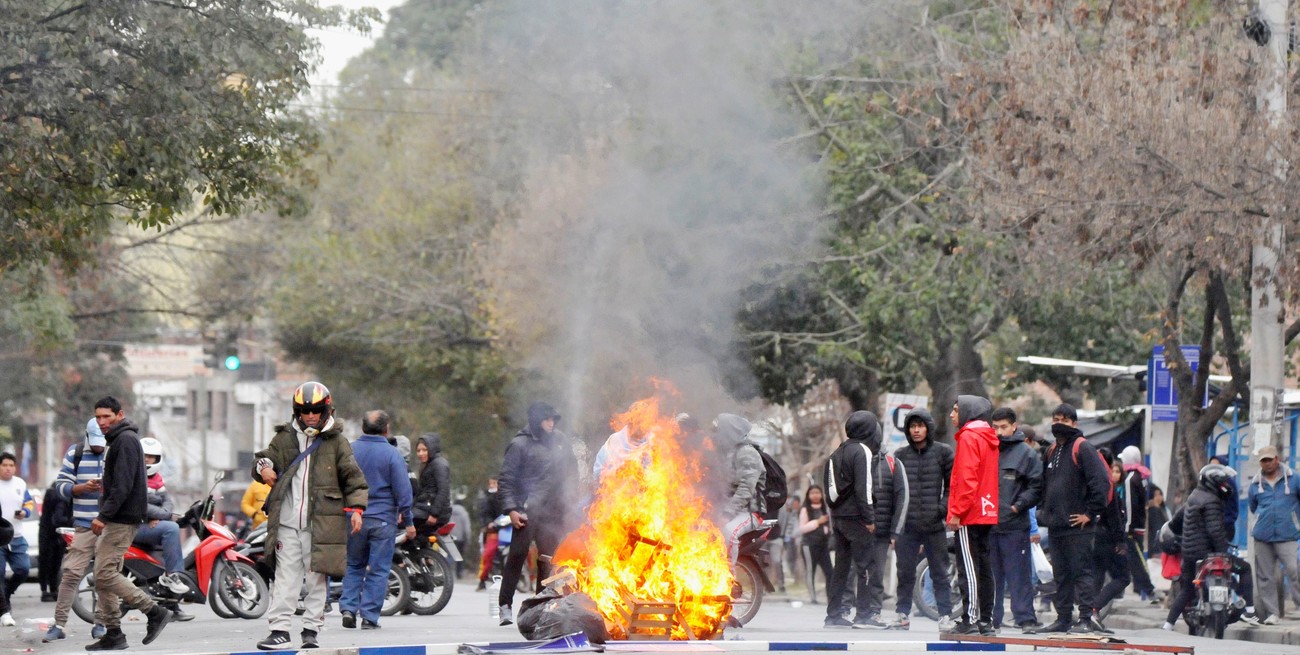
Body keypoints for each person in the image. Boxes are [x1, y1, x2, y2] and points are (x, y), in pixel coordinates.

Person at [252, 381, 369, 650]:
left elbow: (354, 479)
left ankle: (311, 630)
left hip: (323, 523)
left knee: (318, 577)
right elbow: (264, 459)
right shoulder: (284, 438)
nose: (310, 416)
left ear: (326, 410)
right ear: (297, 412)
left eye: (315, 410)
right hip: (287, 522)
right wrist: (264, 467)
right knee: (285, 577)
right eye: (305, 411)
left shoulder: (338, 442)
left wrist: (358, 509)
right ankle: (279, 629)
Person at [86, 396, 174, 650]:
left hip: (120, 519)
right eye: (98, 417)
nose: (102, 422)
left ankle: (154, 611)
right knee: (104, 577)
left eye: (107, 416)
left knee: (104, 574)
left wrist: (103, 516)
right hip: (118, 517)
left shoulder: (124, 440)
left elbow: (123, 485)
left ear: (119, 415)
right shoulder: (119, 439)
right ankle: (114, 632)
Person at [496, 402, 580, 626]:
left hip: (553, 512)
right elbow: (506, 481)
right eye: (547, 420)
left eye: (554, 420)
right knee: (517, 555)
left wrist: (571, 500)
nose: (551, 424)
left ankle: (540, 608)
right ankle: (505, 606)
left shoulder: (561, 442)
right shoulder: (519, 444)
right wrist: (512, 510)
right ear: (536, 421)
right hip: (526, 511)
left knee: (548, 560)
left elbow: (572, 471)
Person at [1038, 403, 1111, 634]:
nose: (1059, 423)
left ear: (1074, 424)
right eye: (1056, 418)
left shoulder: (1083, 447)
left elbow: (1101, 483)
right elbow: (1044, 486)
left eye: (1065, 420)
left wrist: (1090, 514)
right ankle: (1063, 619)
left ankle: (1086, 619)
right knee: (1061, 576)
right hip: (1056, 525)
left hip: (1079, 527)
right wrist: (1044, 512)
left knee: (1081, 574)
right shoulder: (1051, 451)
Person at [340, 410, 415, 630]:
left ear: (363, 427)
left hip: (354, 518)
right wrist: (408, 521)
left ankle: (348, 609)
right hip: (383, 520)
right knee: (379, 569)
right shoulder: (392, 454)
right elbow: (404, 492)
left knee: (354, 565)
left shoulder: (350, 451)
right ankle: (369, 617)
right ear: (386, 429)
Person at [1163, 464, 1261, 630]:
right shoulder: (1212, 500)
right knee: (1244, 568)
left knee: (1187, 589)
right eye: (1222, 483)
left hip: (1189, 554)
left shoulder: (1194, 496)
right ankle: (1250, 611)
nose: (1225, 486)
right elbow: (1214, 530)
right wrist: (1223, 552)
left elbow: (1175, 522)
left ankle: (1168, 625)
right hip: (1208, 554)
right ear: (1212, 483)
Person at [889, 408, 955, 631]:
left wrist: (941, 509)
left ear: (928, 427)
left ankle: (945, 615)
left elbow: (952, 486)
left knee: (940, 572)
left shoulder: (943, 453)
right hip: (907, 525)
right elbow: (893, 491)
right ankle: (902, 614)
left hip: (934, 524)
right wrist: (894, 524)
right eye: (912, 426)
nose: (916, 430)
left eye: (920, 426)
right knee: (905, 571)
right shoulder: (900, 455)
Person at [44, 419, 109, 642]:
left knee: (105, 576)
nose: (101, 446)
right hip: (84, 525)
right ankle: (59, 624)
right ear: (88, 437)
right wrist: (81, 488)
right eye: (97, 442)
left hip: (111, 526)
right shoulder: (76, 453)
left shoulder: (116, 450)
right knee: (71, 573)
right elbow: (60, 486)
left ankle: (101, 623)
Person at [945, 396, 999, 635]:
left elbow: (966, 479)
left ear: (967, 412)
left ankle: (970, 619)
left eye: (956, 410)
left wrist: (957, 512)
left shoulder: (969, 437)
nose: (951, 415)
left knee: (968, 567)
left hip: (969, 512)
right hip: (986, 510)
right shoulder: (989, 437)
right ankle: (986, 620)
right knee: (984, 567)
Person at [821, 410, 879, 629]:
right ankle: (863, 615)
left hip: (838, 518)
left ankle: (833, 615)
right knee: (865, 565)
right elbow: (864, 488)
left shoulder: (838, 452)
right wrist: (869, 517)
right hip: (857, 518)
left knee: (841, 567)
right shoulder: (862, 451)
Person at [989, 407, 1043, 633]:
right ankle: (991, 618)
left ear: (1014, 427)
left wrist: (1018, 505)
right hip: (989, 525)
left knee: (1018, 576)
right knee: (991, 578)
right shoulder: (987, 450)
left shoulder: (1027, 454)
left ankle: (1026, 619)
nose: (999, 432)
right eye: (995, 427)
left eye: (1003, 427)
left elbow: (1037, 486)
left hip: (1014, 526)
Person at [132, 437, 193, 615]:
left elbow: (168, 503)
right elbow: (140, 504)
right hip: (135, 527)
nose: (147, 460)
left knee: (167, 554)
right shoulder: (135, 477)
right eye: (144, 456)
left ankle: (172, 605)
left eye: (151, 457)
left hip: (150, 526)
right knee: (171, 528)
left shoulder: (157, 479)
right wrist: (160, 514)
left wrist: (159, 513)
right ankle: (174, 575)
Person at [1247, 445, 1300, 625]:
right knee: (1265, 576)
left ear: (1277, 459)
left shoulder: (1294, 479)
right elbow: (1253, 506)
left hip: (1288, 534)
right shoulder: (1255, 483)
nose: (1267, 463)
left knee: (1294, 570)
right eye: (1264, 460)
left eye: (1270, 459)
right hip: (1263, 536)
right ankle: (1272, 613)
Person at [712, 413, 766, 568]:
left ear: (729, 431)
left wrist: (727, 514)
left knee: (728, 532)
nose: (715, 435)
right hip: (728, 509)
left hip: (749, 512)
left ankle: (728, 579)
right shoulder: (725, 453)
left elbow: (746, 489)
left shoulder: (747, 453)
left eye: (718, 430)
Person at [1088, 454, 1129, 633]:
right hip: (1108, 538)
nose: (1113, 473)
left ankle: (1088, 614)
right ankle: (1093, 609)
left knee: (1097, 575)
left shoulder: (1091, 481)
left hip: (1094, 535)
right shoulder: (1108, 486)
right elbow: (1115, 517)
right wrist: (1120, 540)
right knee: (1123, 577)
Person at [0, 451, 35, 627]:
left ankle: (6, 593)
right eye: (4, 465)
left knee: (23, 569)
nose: (8, 469)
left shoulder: (20, 483)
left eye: (11, 465)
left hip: (17, 536)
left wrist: (25, 512)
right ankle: (4, 610)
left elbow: (29, 502)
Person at [1118, 445, 1157, 602]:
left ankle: (1149, 589)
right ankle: (1139, 587)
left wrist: (1128, 527)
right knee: (1133, 558)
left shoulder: (1130, 479)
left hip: (1132, 527)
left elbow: (1130, 505)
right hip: (1138, 525)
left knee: (1138, 558)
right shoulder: (1141, 478)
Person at [799, 486, 834, 604]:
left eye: (818, 492)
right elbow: (802, 528)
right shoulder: (805, 509)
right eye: (812, 493)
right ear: (808, 495)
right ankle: (813, 597)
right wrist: (818, 522)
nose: (815, 495)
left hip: (823, 545)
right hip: (809, 544)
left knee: (830, 572)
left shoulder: (826, 509)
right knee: (810, 570)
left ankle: (831, 597)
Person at [414, 433, 453, 532]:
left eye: (424, 450)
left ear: (431, 449)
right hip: (426, 508)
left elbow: (443, 490)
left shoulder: (439, 464)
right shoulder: (428, 465)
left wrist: (434, 514)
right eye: (418, 451)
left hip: (433, 511)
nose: (421, 453)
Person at [38, 481, 69, 602]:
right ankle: (53, 590)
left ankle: (46, 591)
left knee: (45, 561)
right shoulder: (62, 495)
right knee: (55, 562)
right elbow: (58, 518)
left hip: (45, 531)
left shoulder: (52, 490)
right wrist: (72, 520)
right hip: (56, 534)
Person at [476, 477, 505, 591]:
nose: (492, 485)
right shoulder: (487, 498)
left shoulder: (507, 496)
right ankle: (482, 580)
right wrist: (489, 523)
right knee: (488, 554)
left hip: (508, 530)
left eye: (494, 483)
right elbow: (484, 513)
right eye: (490, 483)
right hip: (494, 531)